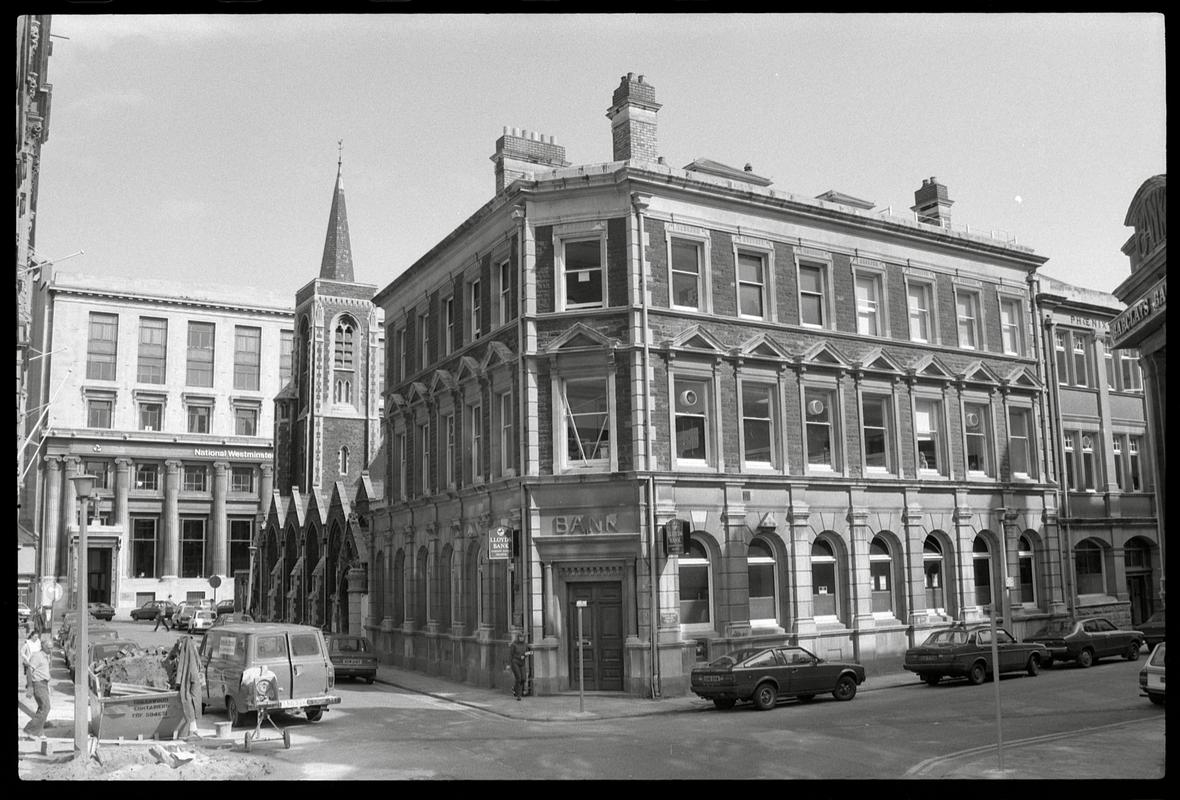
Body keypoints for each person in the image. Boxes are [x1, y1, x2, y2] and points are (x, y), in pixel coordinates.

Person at [23, 633, 53, 738]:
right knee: (45, 707)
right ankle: (30, 729)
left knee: (43, 708)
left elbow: (44, 672)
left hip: (44, 684)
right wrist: (30, 686)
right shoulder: (37, 656)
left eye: (52, 647)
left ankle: (38, 732)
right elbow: (29, 671)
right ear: (43, 646)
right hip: (38, 684)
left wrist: (48, 686)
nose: (51, 650)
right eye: (49, 647)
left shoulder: (46, 657)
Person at [508, 631, 532, 701]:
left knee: (523, 678)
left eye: (522, 637)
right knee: (519, 678)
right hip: (515, 662)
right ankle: (519, 695)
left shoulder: (525, 645)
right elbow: (510, 655)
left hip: (522, 663)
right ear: (518, 638)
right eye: (520, 637)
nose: (521, 638)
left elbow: (529, 652)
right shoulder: (514, 645)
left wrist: (525, 655)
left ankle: (515, 688)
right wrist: (509, 664)